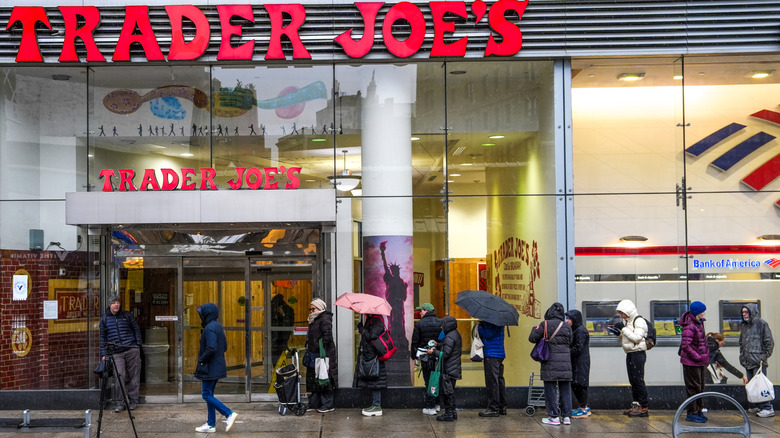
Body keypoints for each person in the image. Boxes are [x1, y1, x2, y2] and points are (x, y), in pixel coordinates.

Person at [194, 303, 239, 433]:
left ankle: (229, 414)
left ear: (207, 314)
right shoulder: (218, 326)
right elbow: (224, 346)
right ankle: (210, 424)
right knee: (210, 394)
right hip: (217, 366)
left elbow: (211, 348)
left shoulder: (209, 328)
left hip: (209, 368)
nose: (200, 316)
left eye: (202, 314)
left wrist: (202, 359)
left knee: (206, 394)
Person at [529, 302, 573, 426]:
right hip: (565, 364)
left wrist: (535, 329)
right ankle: (566, 416)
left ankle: (554, 416)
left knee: (551, 389)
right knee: (565, 389)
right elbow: (571, 341)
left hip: (550, 362)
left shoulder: (545, 324)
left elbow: (532, 338)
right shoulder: (567, 326)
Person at [99, 294, 142, 412]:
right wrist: (104, 354)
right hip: (116, 352)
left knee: (134, 375)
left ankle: (133, 401)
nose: (116, 304)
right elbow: (102, 337)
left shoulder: (127, 315)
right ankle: (120, 402)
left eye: (118, 302)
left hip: (131, 349)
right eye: (114, 303)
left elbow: (136, 329)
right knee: (119, 376)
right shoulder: (104, 319)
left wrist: (137, 345)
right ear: (109, 304)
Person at [609, 299, 649, 417]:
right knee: (633, 381)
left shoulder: (639, 321)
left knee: (638, 380)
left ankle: (644, 406)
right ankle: (636, 405)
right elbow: (628, 339)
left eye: (622, 313)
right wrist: (619, 334)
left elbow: (636, 338)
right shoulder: (629, 322)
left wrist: (624, 329)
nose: (621, 315)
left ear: (629, 311)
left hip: (638, 354)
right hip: (631, 353)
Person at [739, 303, 775, 417]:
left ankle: (767, 408)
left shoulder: (761, 324)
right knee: (752, 386)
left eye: (746, 312)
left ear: (752, 312)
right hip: (748, 362)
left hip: (758, 362)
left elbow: (769, 343)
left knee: (760, 386)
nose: (744, 314)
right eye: (743, 312)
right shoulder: (744, 325)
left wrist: (762, 357)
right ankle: (758, 406)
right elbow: (742, 342)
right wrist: (742, 357)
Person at [305, 298, 337, 413]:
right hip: (314, 355)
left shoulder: (324, 319)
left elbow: (327, 337)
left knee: (324, 379)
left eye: (313, 308)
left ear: (320, 308)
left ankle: (327, 404)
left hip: (323, 355)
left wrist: (319, 345)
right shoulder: (315, 319)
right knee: (315, 379)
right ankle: (314, 403)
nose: (311, 311)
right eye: (310, 309)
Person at [679, 301, 709, 423]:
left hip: (699, 362)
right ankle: (692, 412)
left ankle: (699, 410)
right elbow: (686, 345)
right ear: (697, 312)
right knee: (693, 388)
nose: (704, 313)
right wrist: (698, 356)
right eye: (702, 311)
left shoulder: (699, 323)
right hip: (691, 363)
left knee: (700, 387)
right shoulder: (690, 325)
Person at [428, 316, 462, 422]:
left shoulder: (449, 336)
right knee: (450, 391)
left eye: (443, 324)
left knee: (447, 392)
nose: (441, 327)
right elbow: (448, 349)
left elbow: (445, 354)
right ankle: (452, 412)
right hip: (453, 367)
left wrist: (433, 352)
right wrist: (438, 345)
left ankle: (448, 414)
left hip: (448, 368)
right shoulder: (454, 334)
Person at [409, 302, 441, 415]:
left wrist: (414, 357)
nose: (420, 313)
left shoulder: (420, 324)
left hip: (425, 356)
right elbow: (443, 340)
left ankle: (430, 406)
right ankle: (437, 404)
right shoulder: (440, 322)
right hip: (437, 356)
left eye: (421, 310)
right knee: (436, 379)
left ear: (426, 311)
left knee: (428, 380)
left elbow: (415, 342)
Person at [354, 313, 388, 417]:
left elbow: (372, 336)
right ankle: (375, 404)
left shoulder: (377, 320)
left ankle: (377, 405)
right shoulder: (372, 319)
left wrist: (362, 328)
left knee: (376, 380)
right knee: (374, 380)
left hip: (374, 355)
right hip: (370, 355)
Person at [477, 320, 506, 417]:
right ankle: (502, 406)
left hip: (491, 353)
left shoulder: (491, 321)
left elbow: (489, 334)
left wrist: (480, 327)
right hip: (499, 353)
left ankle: (493, 408)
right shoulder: (499, 319)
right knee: (499, 380)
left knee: (492, 381)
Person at [566, 309, 591, 419]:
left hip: (580, 362)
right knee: (577, 383)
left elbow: (578, 348)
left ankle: (583, 408)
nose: (567, 321)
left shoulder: (580, 331)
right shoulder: (576, 329)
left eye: (569, 319)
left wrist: (566, 352)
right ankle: (583, 406)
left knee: (580, 384)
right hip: (578, 361)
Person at [270, 293, 295, 367]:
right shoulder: (273, 310)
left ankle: (280, 370)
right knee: (274, 356)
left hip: (282, 337)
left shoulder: (289, 310)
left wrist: (283, 314)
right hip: (274, 337)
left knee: (280, 355)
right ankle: (276, 369)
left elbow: (289, 324)